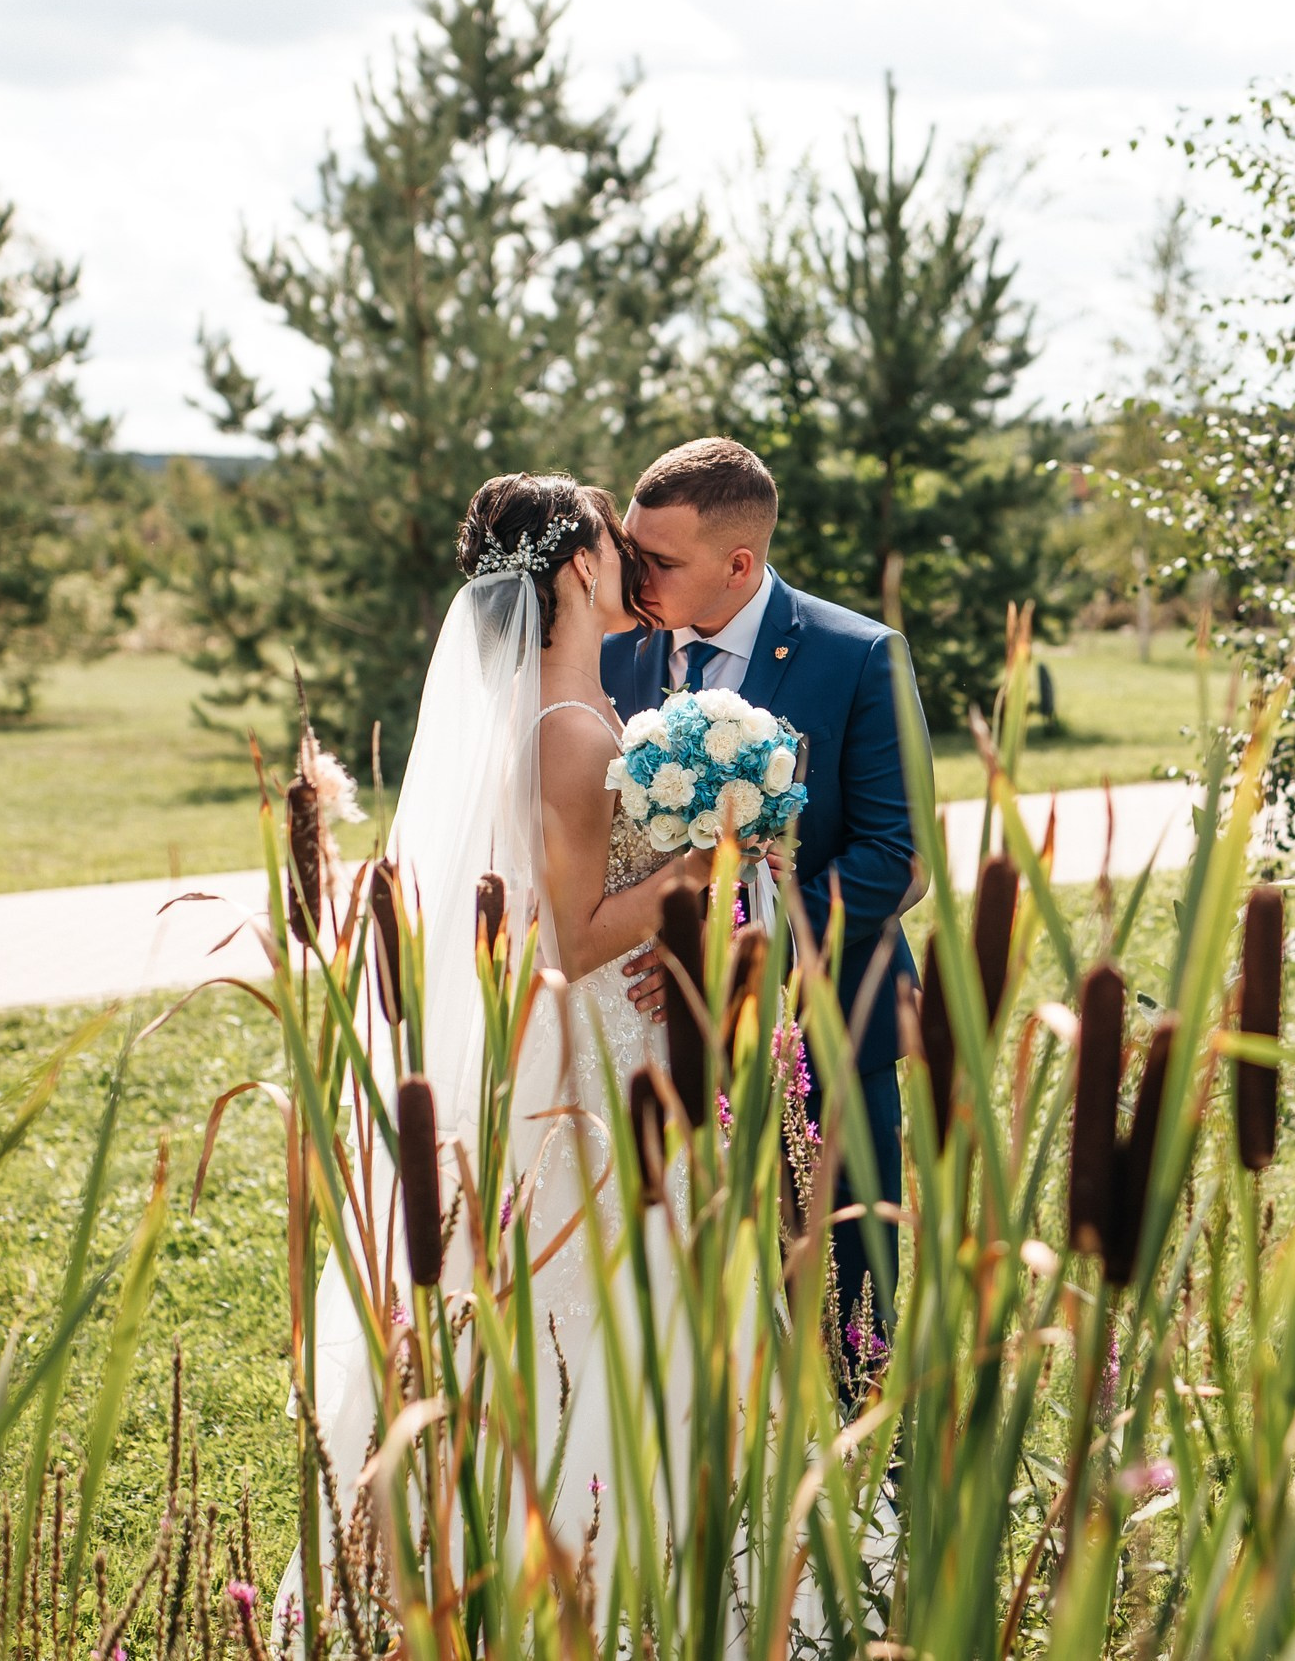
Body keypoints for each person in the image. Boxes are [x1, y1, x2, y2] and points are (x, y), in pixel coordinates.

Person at [282, 473, 718, 1626]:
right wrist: (709, 859)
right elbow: (574, 939)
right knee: (606, 1301)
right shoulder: (569, 732)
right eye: (618, 545)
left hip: (573, 1050)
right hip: (586, 1059)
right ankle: (610, 1570)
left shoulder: (562, 712)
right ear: (578, 563)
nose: (632, 563)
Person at [600, 437, 928, 1355]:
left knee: (845, 1286)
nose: (635, 575)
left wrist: (741, 950)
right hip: (652, 1033)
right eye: (630, 551)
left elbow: (898, 857)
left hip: (821, 1018)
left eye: (658, 560)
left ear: (739, 563)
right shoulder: (615, 652)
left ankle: (873, 1492)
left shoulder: (858, 655)